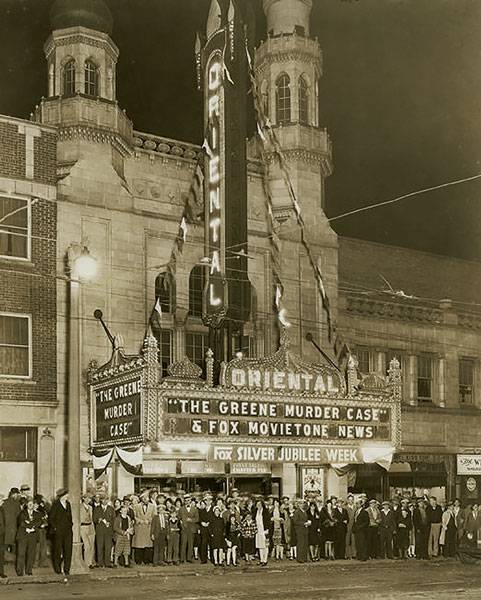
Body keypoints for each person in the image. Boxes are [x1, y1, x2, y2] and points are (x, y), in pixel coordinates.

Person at [48, 488, 73, 576]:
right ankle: (57, 569)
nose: (68, 496)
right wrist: (55, 528)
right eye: (66, 495)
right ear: (62, 496)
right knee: (57, 550)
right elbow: (51, 518)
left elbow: (70, 517)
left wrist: (70, 525)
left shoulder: (68, 504)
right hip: (58, 531)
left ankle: (67, 569)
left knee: (68, 550)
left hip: (68, 531)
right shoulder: (56, 505)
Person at [16, 496, 41, 576]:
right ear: (26, 504)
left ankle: (29, 571)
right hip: (23, 536)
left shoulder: (37, 514)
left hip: (33, 536)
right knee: (21, 554)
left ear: (34, 505)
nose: (30, 505)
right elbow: (22, 523)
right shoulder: (22, 513)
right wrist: (32, 526)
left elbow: (39, 522)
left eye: (32, 504)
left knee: (31, 554)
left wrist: (29, 525)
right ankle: (19, 571)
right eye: (29, 504)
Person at [132, 492, 155, 565]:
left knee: (148, 545)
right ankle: (138, 560)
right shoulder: (136, 506)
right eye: (143, 498)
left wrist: (148, 521)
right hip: (139, 527)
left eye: (147, 498)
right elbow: (134, 516)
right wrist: (140, 521)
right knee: (139, 545)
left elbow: (154, 516)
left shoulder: (152, 506)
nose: (145, 499)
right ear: (141, 499)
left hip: (148, 527)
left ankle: (147, 560)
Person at [93, 495, 115, 568]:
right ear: (101, 500)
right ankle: (100, 563)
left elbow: (113, 519)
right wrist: (97, 520)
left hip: (108, 531)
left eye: (106, 500)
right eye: (103, 500)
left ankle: (107, 563)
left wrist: (110, 523)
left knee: (108, 547)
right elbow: (94, 519)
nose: (105, 501)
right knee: (99, 547)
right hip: (99, 531)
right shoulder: (97, 508)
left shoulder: (111, 509)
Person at [178, 495, 199, 563]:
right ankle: (182, 558)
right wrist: (181, 524)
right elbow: (178, 518)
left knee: (190, 544)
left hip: (192, 529)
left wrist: (191, 520)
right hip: (184, 529)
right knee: (183, 543)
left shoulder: (195, 509)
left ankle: (189, 558)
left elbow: (197, 519)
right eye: (186, 500)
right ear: (184, 501)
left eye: (189, 500)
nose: (187, 502)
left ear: (191, 501)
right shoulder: (181, 509)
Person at [33, 494, 49, 568]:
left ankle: (43, 562)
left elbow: (45, 519)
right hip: (37, 530)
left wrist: (45, 523)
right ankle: (35, 563)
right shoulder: (32, 512)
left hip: (42, 530)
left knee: (43, 546)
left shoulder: (42, 511)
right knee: (37, 547)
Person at [3, 488, 21, 553]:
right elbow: (19, 516)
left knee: (4, 545)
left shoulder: (4, 502)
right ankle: (12, 560)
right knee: (14, 545)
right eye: (17, 494)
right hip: (13, 528)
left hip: (4, 528)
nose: (17, 496)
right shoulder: (16, 503)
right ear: (14, 494)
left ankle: (3, 560)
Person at [80, 494, 95, 569]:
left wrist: (93, 528)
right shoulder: (79, 507)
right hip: (83, 527)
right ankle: (86, 563)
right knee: (87, 546)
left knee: (91, 546)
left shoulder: (90, 508)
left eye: (89, 499)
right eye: (87, 498)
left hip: (90, 527)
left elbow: (91, 519)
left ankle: (90, 562)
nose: (88, 500)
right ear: (83, 498)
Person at [198, 493, 214, 564]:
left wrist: (209, 523)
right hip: (204, 529)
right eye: (206, 501)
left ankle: (213, 559)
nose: (207, 502)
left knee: (212, 544)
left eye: (209, 500)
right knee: (203, 544)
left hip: (211, 530)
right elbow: (200, 519)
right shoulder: (202, 510)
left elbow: (215, 518)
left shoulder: (213, 509)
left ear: (211, 501)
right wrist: (202, 523)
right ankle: (203, 559)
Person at [292, 499, 309, 563]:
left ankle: (304, 558)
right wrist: (304, 523)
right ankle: (299, 558)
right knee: (300, 544)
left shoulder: (304, 512)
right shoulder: (297, 512)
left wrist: (307, 523)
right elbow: (295, 521)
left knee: (305, 544)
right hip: (299, 530)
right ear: (298, 505)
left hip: (305, 529)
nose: (302, 505)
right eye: (301, 503)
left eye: (303, 503)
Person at [254, 499, 270, 566]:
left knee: (265, 545)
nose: (259, 506)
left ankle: (265, 560)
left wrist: (267, 529)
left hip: (264, 530)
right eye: (257, 504)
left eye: (260, 504)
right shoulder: (255, 512)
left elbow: (268, 521)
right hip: (258, 530)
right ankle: (261, 560)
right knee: (260, 545)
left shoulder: (265, 512)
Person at [345, 494, 356, 559]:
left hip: (354, 526)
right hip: (347, 526)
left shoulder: (355, 507)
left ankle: (354, 554)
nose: (350, 501)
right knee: (347, 541)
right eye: (349, 500)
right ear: (347, 500)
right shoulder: (345, 508)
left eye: (352, 500)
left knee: (353, 540)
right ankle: (347, 554)